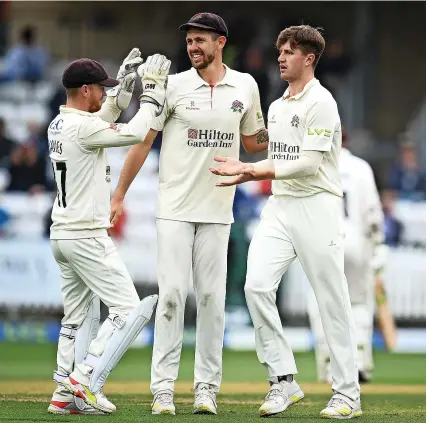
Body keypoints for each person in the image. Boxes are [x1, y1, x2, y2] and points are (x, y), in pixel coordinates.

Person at [110, 13, 267, 415]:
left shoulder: (245, 86)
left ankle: (206, 390)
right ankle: (163, 389)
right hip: (175, 208)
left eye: (200, 40)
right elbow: (143, 143)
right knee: (173, 296)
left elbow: (252, 142)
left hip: (218, 210)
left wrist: (282, 126)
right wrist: (119, 195)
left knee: (213, 299)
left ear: (220, 42)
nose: (193, 47)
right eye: (189, 42)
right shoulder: (174, 86)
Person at [210, 25, 362, 419]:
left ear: (309, 59)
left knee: (332, 301)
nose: (280, 57)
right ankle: (283, 380)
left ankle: (347, 394)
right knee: (256, 286)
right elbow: (272, 152)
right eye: (280, 51)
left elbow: (309, 164)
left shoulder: (322, 102)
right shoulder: (277, 107)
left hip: (317, 206)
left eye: (289, 52)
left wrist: (252, 171)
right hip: (281, 207)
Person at [47, 49, 171, 415]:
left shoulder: (61, 123)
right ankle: (83, 378)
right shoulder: (84, 128)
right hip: (86, 234)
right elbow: (133, 133)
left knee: (76, 316)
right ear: (85, 90)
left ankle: (62, 393)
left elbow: (103, 116)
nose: (104, 93)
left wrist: (120, 91)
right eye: (100, 88)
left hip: (63, 234)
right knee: (127, 308)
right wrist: (150, 92)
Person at [307, 129, 386, 384]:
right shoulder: (361, 167)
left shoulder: (315, 163)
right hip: (356, 241)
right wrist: (377, 246)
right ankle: (360, 360)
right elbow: (373, 213)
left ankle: (330, 364)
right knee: (359, 303)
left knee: (323, 302)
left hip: (324, 239)